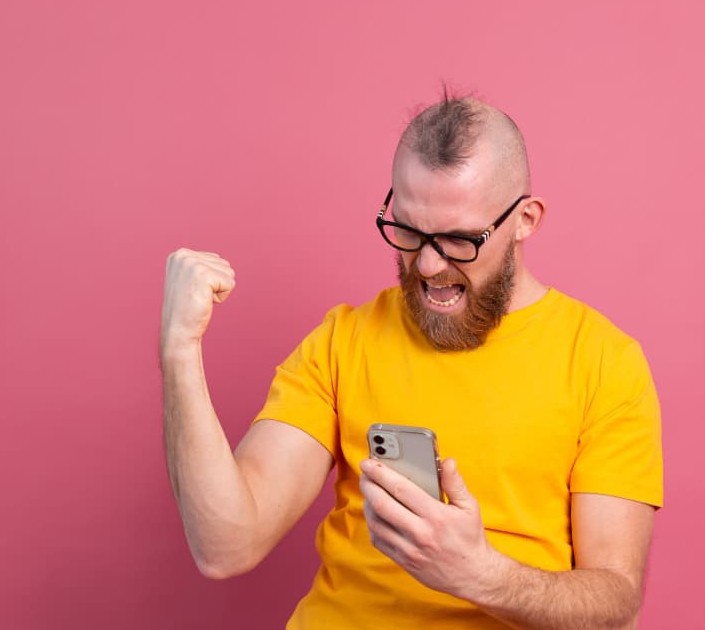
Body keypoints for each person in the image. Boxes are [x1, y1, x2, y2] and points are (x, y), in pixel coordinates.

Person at [159, 93, 663, 629]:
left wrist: (477, 574)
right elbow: (226, 545)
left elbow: (616, 608)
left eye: (458, 240)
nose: (426, 265)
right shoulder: (343, 341)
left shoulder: (605, 363)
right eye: (408, 231)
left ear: (525, 219)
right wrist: (179, 350)